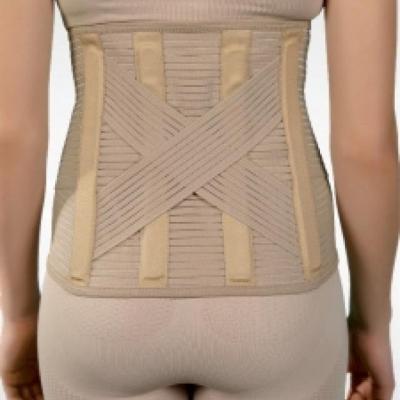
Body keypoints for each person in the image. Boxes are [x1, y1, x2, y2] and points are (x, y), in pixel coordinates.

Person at [0, 0, 398, 399]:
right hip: (283, 312)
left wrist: (20, 317)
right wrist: (371, 325)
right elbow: (366, 148)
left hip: (98, 308)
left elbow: (12, 138)